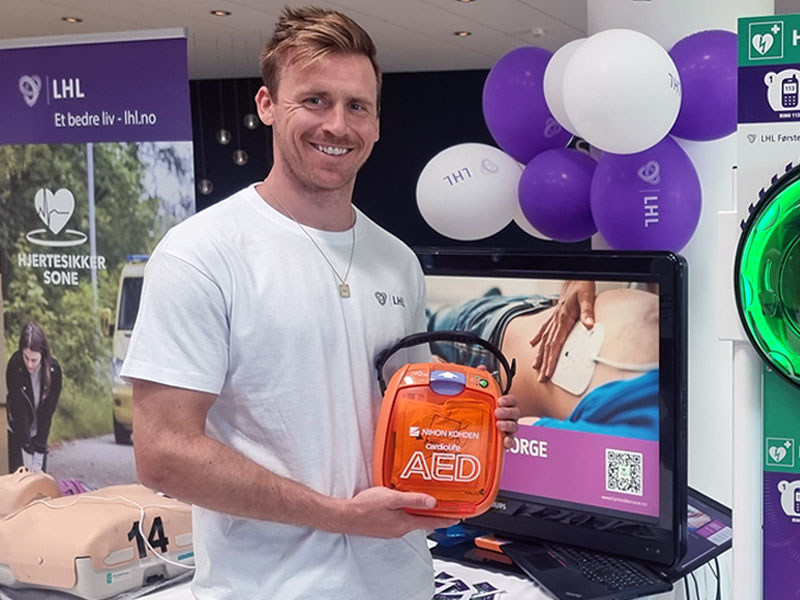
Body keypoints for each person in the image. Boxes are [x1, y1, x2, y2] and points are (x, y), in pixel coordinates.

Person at [120, 7, 520, 600]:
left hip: (400, 581)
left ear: (377, 123)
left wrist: (473, 417)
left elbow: (400, 398)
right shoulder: (201, 254)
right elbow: (164, 455)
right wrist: (341, 516)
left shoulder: (397, 260)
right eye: (314, 100)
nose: (337, 124)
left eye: (356, 106)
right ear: (267, 106)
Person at [428, 284, 660, 440]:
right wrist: (582, 272)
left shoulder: (645, 434)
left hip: (486, 351)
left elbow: (526, 434)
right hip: (540, 311)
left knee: (418, 328)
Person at [6, 322, 62, 473]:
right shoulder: (15, 366)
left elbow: (47, 413)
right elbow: (19, 412)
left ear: (42, 355)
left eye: (34, 360)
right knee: (20, 483)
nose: (29, 364)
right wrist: (27, 453)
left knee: (38, 483)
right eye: (26, 357)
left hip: (38, 432)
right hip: (18, 433)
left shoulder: (54, 371)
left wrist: (38, 453)